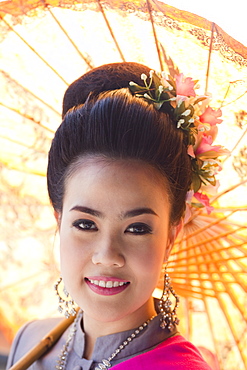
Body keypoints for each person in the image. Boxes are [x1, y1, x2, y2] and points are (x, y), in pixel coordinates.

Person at [6, 62, 215, 369]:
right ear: (59, 221)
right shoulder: (31, 342)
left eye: (138, 228)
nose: (107, 256)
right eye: (86, 224)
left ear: (171, 235)